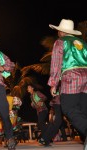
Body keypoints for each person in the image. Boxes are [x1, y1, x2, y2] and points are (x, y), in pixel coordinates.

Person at [47, 19, 87, 149]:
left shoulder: (60, 42)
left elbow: (56, 63)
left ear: (61, 31)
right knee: (83, 109)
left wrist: (53, 83)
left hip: (71, 76)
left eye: (58, 30)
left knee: (69, 108)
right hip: (86, 75)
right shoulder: (82, 42)